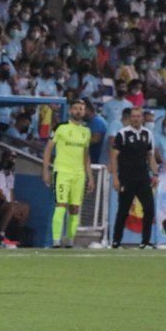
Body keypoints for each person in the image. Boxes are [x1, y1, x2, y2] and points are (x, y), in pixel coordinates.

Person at [42, 99, 94, 248]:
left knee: (75, 207)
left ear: (84, 112)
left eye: (81, 109)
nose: (79, 111)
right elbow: (48, 149)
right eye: (76, 108)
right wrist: (45, 170)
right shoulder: (61, 127)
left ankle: (70, 239)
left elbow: (86, 156)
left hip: (78, 174)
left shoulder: (86, 131)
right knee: (61, 204)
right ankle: (56, 240)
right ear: (71, 110)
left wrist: (90, 176)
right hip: (62, 171)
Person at [110, 107, 159, 249]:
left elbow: (150, 156)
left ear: (142, 118)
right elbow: (114, 156)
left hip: (143, 178)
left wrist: (155, 174)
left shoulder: (147, 134)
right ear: (130, 118)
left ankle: (145, 241)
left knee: (149, 209)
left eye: (138, 116)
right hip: (126, 178)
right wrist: (115, 177)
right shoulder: (122, 134)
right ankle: (116, 241)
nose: (136, 119)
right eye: (133, 116)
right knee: (123, 210)